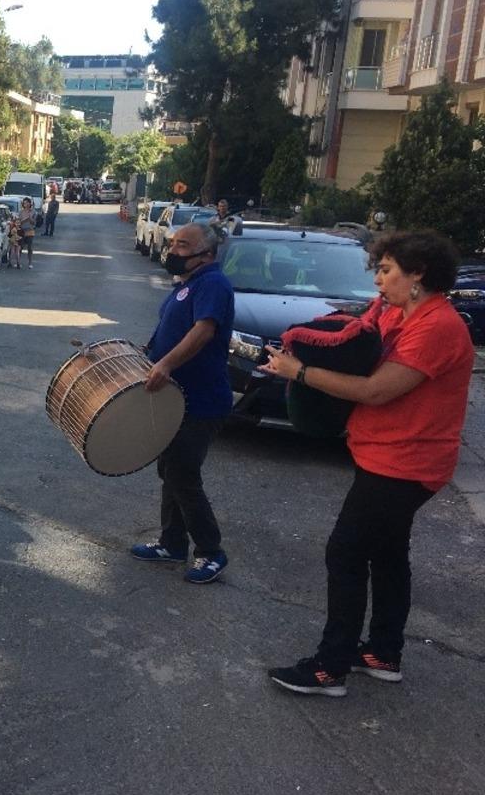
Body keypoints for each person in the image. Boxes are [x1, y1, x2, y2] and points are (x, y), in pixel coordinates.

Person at [262, 231, 472, 697]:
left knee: (347, 552)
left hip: (406, 463)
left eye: (386, 270)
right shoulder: (397, 312)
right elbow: (353, 339)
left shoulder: (437, 326)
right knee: (387, 552)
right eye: (377, 269)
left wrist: (301, 372)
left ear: (418, 274)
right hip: (384, 453)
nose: (377, 280)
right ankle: (382, 653)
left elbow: (378, 390)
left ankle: (330, 667)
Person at [131, 223, 235, 584]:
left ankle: (211, 552)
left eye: (182, 245)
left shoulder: (213, 284)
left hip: (201, 400)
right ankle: (172, 543)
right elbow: (171, 327)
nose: (173, 250)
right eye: (173, 243)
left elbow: (203, 331)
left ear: (206, 253)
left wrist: (167, 363)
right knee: (170, 470)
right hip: (175, 398)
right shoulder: (189, 283)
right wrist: (147, 353)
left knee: (182, 474)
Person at [17, 197, 37, 268]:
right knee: (20, 247)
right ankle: (18, 262)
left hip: (30, 231)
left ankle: (30, 263)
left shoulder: (33, 212)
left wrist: (30, 218)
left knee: (30, 247)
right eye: (24, 203)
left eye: (27, 202)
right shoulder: (21, 212)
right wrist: (24, 220)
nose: (26, 204)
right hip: (22, 231)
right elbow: (18, 222)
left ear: (29, 203)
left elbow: (34, 223)